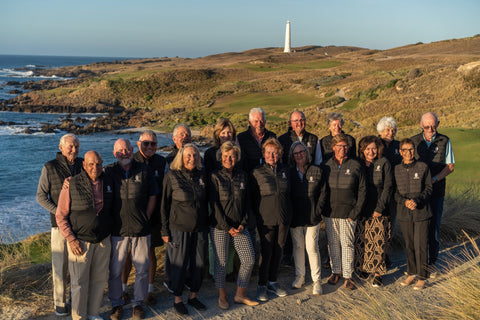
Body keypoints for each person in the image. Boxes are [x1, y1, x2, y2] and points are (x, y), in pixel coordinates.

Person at [56, 151, 113, 320]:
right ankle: (79, 317)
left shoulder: (109, 181)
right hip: (80, 241)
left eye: (98, 164)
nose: (95, 167)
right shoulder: (71, 184)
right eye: (91, 164)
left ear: (103, 164)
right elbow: (60, 216)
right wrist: (71, 239)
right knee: (79, 283)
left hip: (103, 240)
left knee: (99, 280)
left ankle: (93, 313)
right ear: (84, 165)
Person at [106, 139, 158, 320]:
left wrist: (147, 216)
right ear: (115, 153)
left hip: (141, 228)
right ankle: (116, 304)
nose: (125, 153)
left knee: (142, 269)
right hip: (117, 230)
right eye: (120, 150)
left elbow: (153, 194)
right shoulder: (109, 171)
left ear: (132, 150)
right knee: (115, 270)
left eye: (128, 149)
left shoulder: (144, 169)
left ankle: (138, 304)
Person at [36, 133, 83, 316]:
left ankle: (75, 298)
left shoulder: (82, 165)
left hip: (79, 225)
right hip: (58, 226)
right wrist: (59, 212)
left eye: (77, 146)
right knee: (60, 266)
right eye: (70, 146)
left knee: (77, 266)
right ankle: (60, 302)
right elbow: (40, 196)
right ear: (61, 147)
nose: (74, 149)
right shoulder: (50, 167)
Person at [161, 144, 209, 315]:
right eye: (188, 155)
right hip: (178, 229)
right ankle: (178, 299)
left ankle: (193, 296)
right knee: (179, 265)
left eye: (195, 155)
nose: (192, 158)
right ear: (181, 157)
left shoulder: (202, 175)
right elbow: (164, 205)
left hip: (201, 228)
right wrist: (164, 231)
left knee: (199, 263)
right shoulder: (172, 176)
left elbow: (208, 201)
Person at [209, 141, 258, 309]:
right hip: (219, 226)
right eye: (225, 156)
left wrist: (243, 224)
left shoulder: (243, 175)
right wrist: (226, 226)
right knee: (221, 262)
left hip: (240, 226)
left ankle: (240, 294)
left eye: (232, 156)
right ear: (220, 157)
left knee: (249, 259)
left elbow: (247, 203)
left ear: (237, 157)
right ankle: (222, 296)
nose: (228, 159)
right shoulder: (214, 176)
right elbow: (214, 205)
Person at [121, 130, 168, 306]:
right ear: (139, 144)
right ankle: (124, 289)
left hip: (153, 217)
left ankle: (149, 291)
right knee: (127, 254)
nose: (149, 146)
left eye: (153, 144)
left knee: (150, 254)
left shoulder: (161, 162)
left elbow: (165, 189)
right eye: (146, 143)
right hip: (131, 218)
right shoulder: (130, 160)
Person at [410, 112, 454, 272]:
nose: (430, 129)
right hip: (418, 193)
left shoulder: (445, 140)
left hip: (436, 191)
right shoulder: (414, 141)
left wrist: (434, 179)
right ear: (421, 125)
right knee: (418, 228)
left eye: (433, 126)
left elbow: (450, 166)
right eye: (427, 126)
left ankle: (432, 263)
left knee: (433, 227)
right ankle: (417, 263)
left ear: (438, 124)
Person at [321, 133, 366, 290]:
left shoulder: (355, 165)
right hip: (330, 212)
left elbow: (362, 190)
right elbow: (322, 189)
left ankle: (348, 275)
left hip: (349, 213)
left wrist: (355, 212)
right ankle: (336, 271)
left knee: (347, 243)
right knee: (333, 243)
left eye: (345, 146)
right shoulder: (326, 165)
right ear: (333, 147)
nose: (343, 149)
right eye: (339, 146)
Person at [250, 138, 292, 301]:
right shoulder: (257, 172)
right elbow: (252, 198)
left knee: (279, 250)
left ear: (280, 153)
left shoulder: (286, 170)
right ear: (264, 154)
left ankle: (273, 282)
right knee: (266, 251)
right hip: (265, 219)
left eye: (275, 152)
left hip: (284, 217)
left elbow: (291, 194)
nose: (272, 155)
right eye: (268, 152)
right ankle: (262, 285)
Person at [354, 136, 393, 287]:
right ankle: (366, 268)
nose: (371, 152)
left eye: (374, 148)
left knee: (377, 243)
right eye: (367, 149)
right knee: (363, 241)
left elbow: (388, 187)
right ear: (362, 150)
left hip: (379, 208)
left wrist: (379, 208)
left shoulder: (384, 163)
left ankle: (377, 273)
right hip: (362, 208)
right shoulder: (358, 164)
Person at [288, 141, 325, 295]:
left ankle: (317, 281)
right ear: (292, 156)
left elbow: (323, 193)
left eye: (302, 152)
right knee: (298, 247)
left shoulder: (317, 170)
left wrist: (317, 211)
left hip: (312, 216)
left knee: (311, 247)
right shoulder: (289, 172)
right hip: (295, 217)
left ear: (307, 153)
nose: (299, 155)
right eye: (296, 153)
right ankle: (300, 277)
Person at [395, 138, 432, 290]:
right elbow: (394, 192)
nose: (409, 152)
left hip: (421, 211)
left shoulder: (423, 167)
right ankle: (411, 273)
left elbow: (429, 188)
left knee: (421, 244)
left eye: (411, 149)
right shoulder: (396, 169)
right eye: (405, 150)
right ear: (401, 152)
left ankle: (422, 276)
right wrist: (405, 201)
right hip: (404, 212)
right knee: (409, 244)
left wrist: (417, 200)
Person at [203, 118, 237, 283]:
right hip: (215, 200)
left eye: (229, 132)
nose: (226, 135)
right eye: (223, 133)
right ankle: (213, 272)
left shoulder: (237, 151)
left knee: (231, 238)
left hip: (232, 200)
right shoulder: (210, 153)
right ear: (217, 135)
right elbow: (208, 178)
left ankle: (228, 271)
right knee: (215, 240)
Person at [163, 124, 192, 292]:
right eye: (180, 135)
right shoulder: (168, 160)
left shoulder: (196, 157)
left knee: (188, 250)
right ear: (174, 139)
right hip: (175, 213)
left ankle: (186, 277)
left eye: (187, 134)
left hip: (191, 213)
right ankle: (170, 279)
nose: (184, 137)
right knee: (174, 250)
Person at [237, 107, 277, 172]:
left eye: (261, 121)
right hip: (249, 177)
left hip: (269, 177)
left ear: (265, 122)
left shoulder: (272, 137)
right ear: (249, 122)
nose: (259, 124)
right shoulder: (241, 138)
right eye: (256, 121)